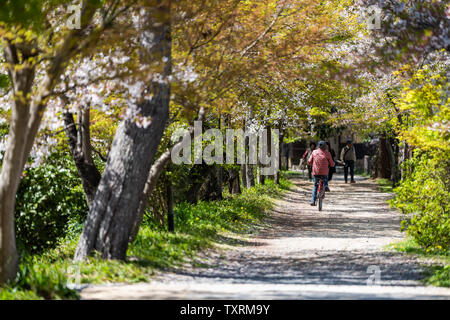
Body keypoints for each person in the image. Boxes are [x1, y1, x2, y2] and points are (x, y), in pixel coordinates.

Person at [308, 141, 334, 206]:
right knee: (325, 176)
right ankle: (325, 186)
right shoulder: (327, 153)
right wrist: (333, 165)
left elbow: (309, 161)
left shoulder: (314, 152)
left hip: (316, 172)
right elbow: (331, 163)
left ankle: (313, 201)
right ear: (325, 146)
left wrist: (311, 163)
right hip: (324, 172)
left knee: (315, 186)